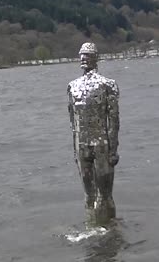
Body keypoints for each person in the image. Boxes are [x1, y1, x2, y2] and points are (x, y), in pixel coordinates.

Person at [67, 42, 120, 226]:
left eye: (87, 55)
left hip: (102, 143)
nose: (83, 58)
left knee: (105, 193)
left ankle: (109, 229)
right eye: (81, 54)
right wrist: (75, 151)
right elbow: (72, 121)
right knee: (88, 192)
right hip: (82, 143)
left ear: (96, 58)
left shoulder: (108, 85)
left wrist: (113, 149)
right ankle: (92, 227)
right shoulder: (72, 86)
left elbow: (113, 120)